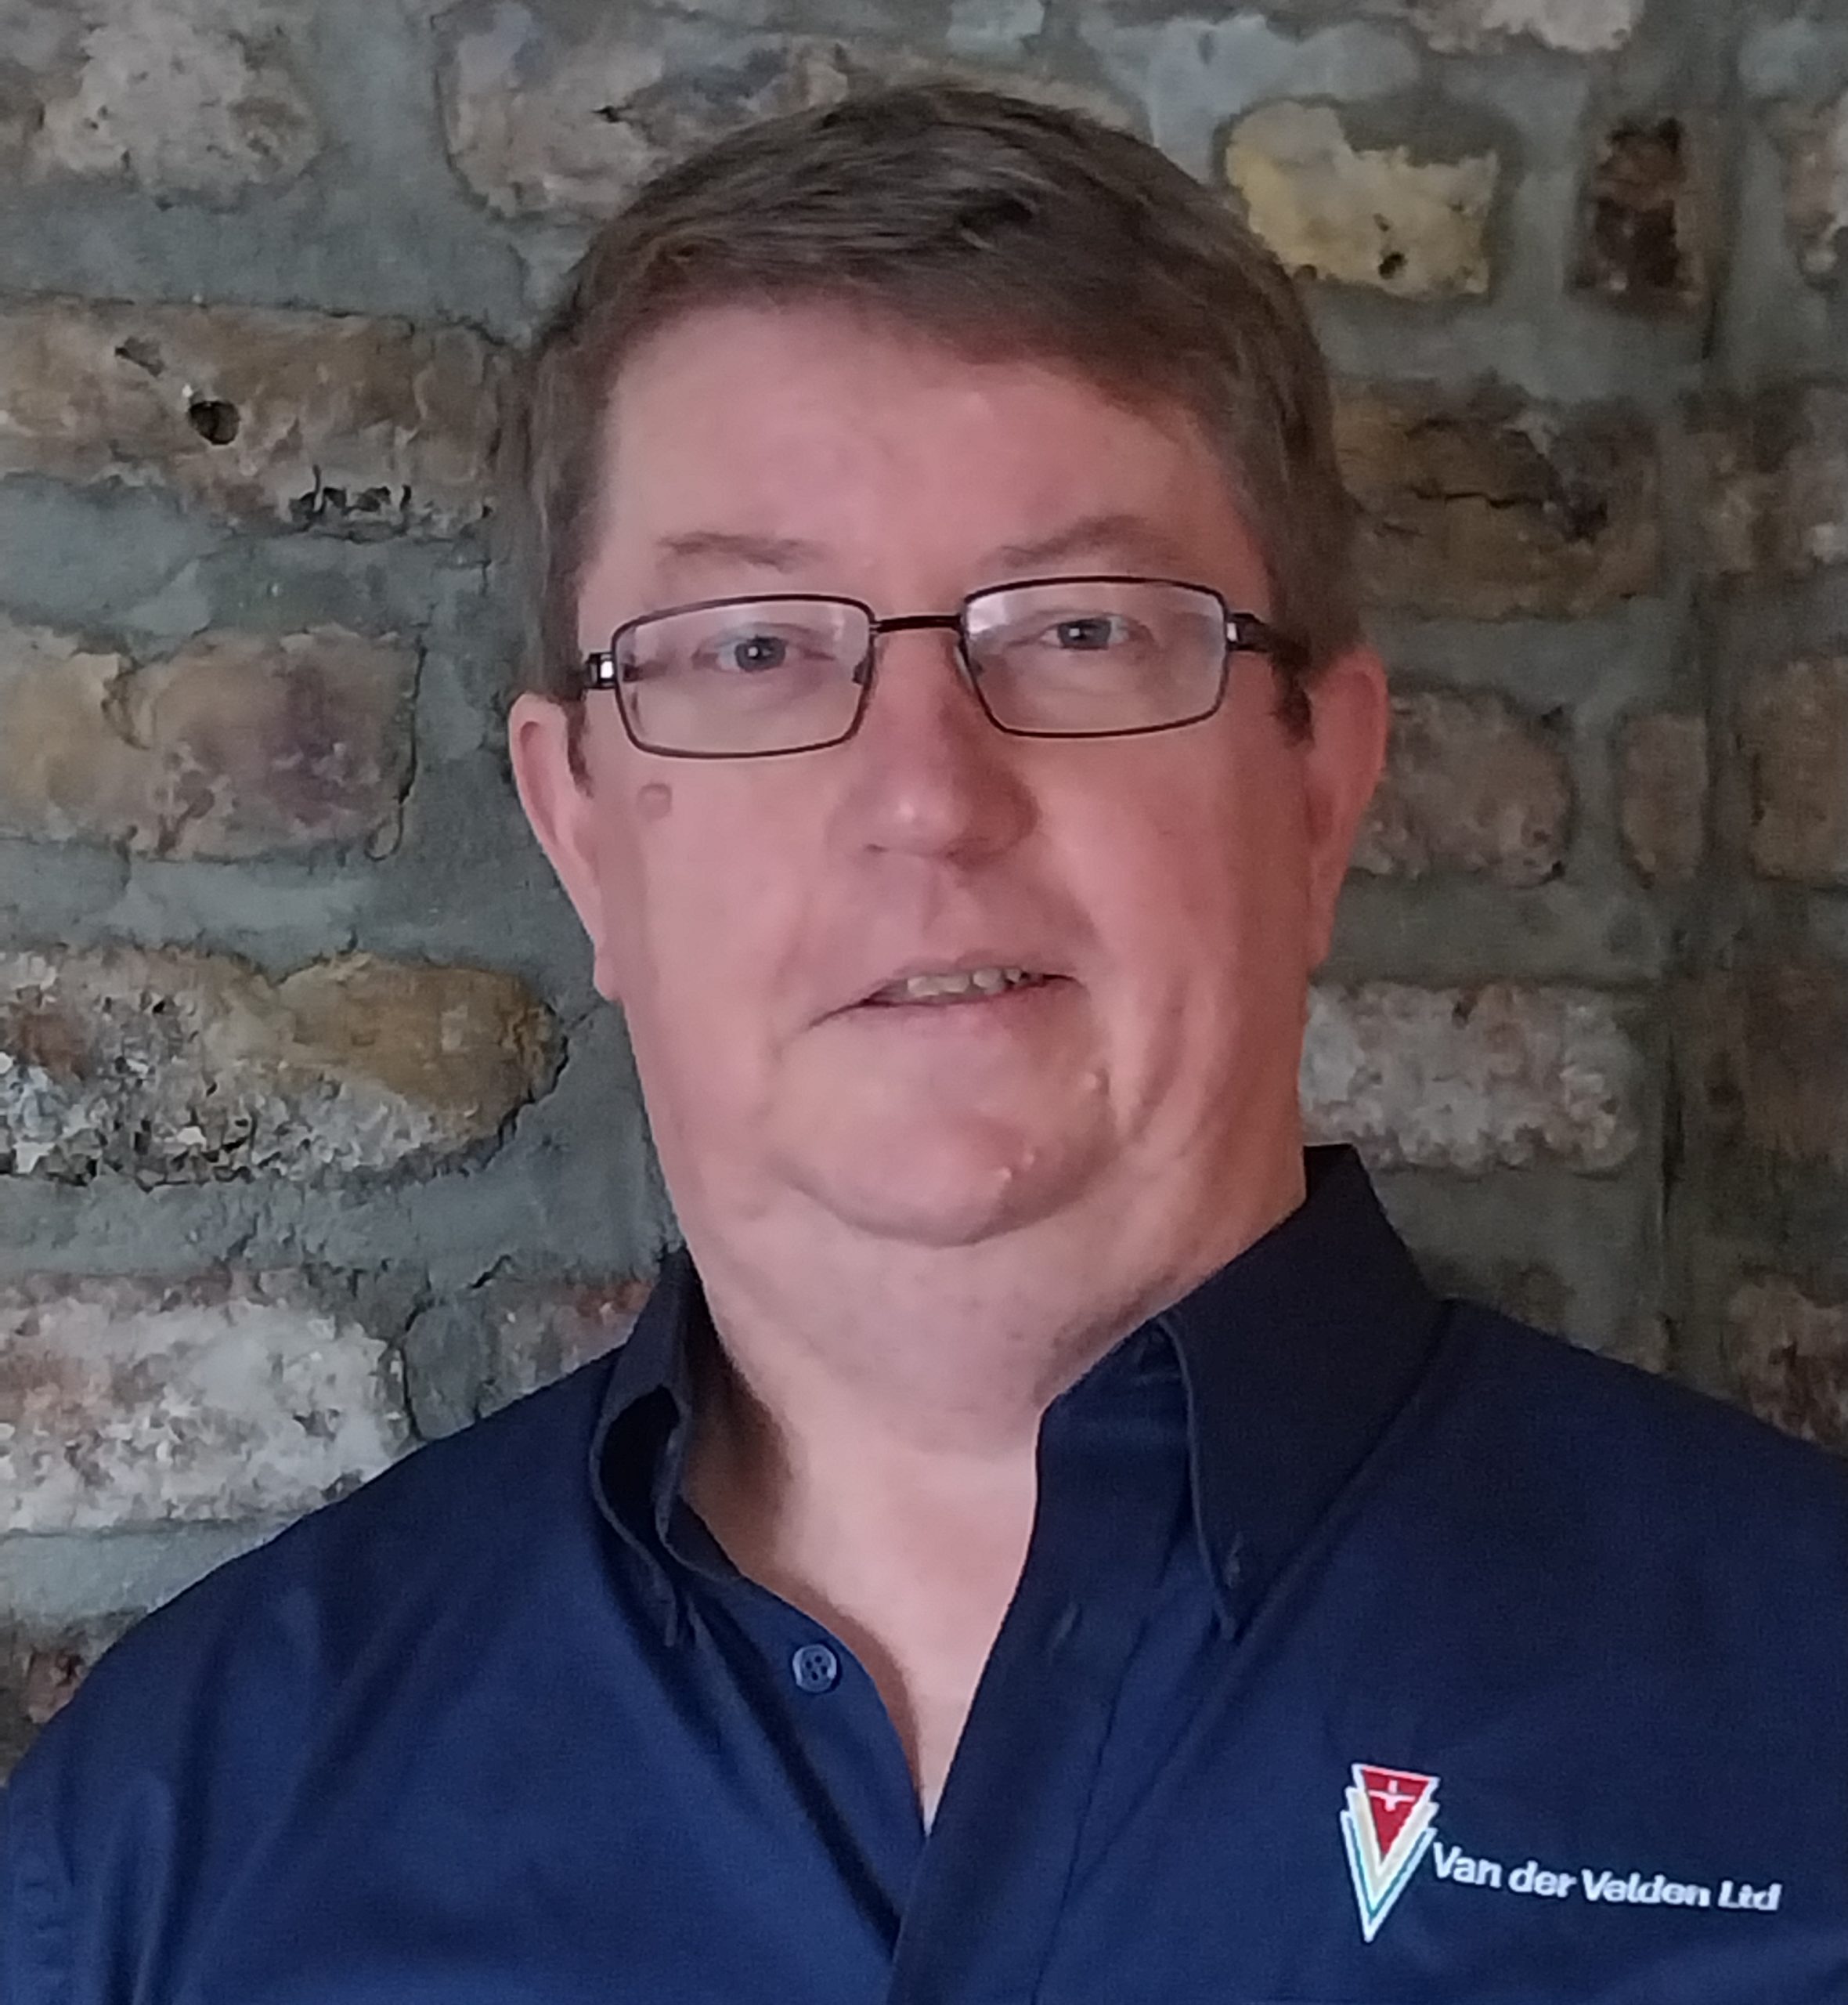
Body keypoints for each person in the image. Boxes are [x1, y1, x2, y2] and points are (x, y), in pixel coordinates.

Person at [3, 81, 1843, 2005]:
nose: (925, 798)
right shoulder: (165, 1845)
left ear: (1320, 786)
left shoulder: (1806, 1710)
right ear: (581, 831)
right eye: (751, 647)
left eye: (1080, 629)